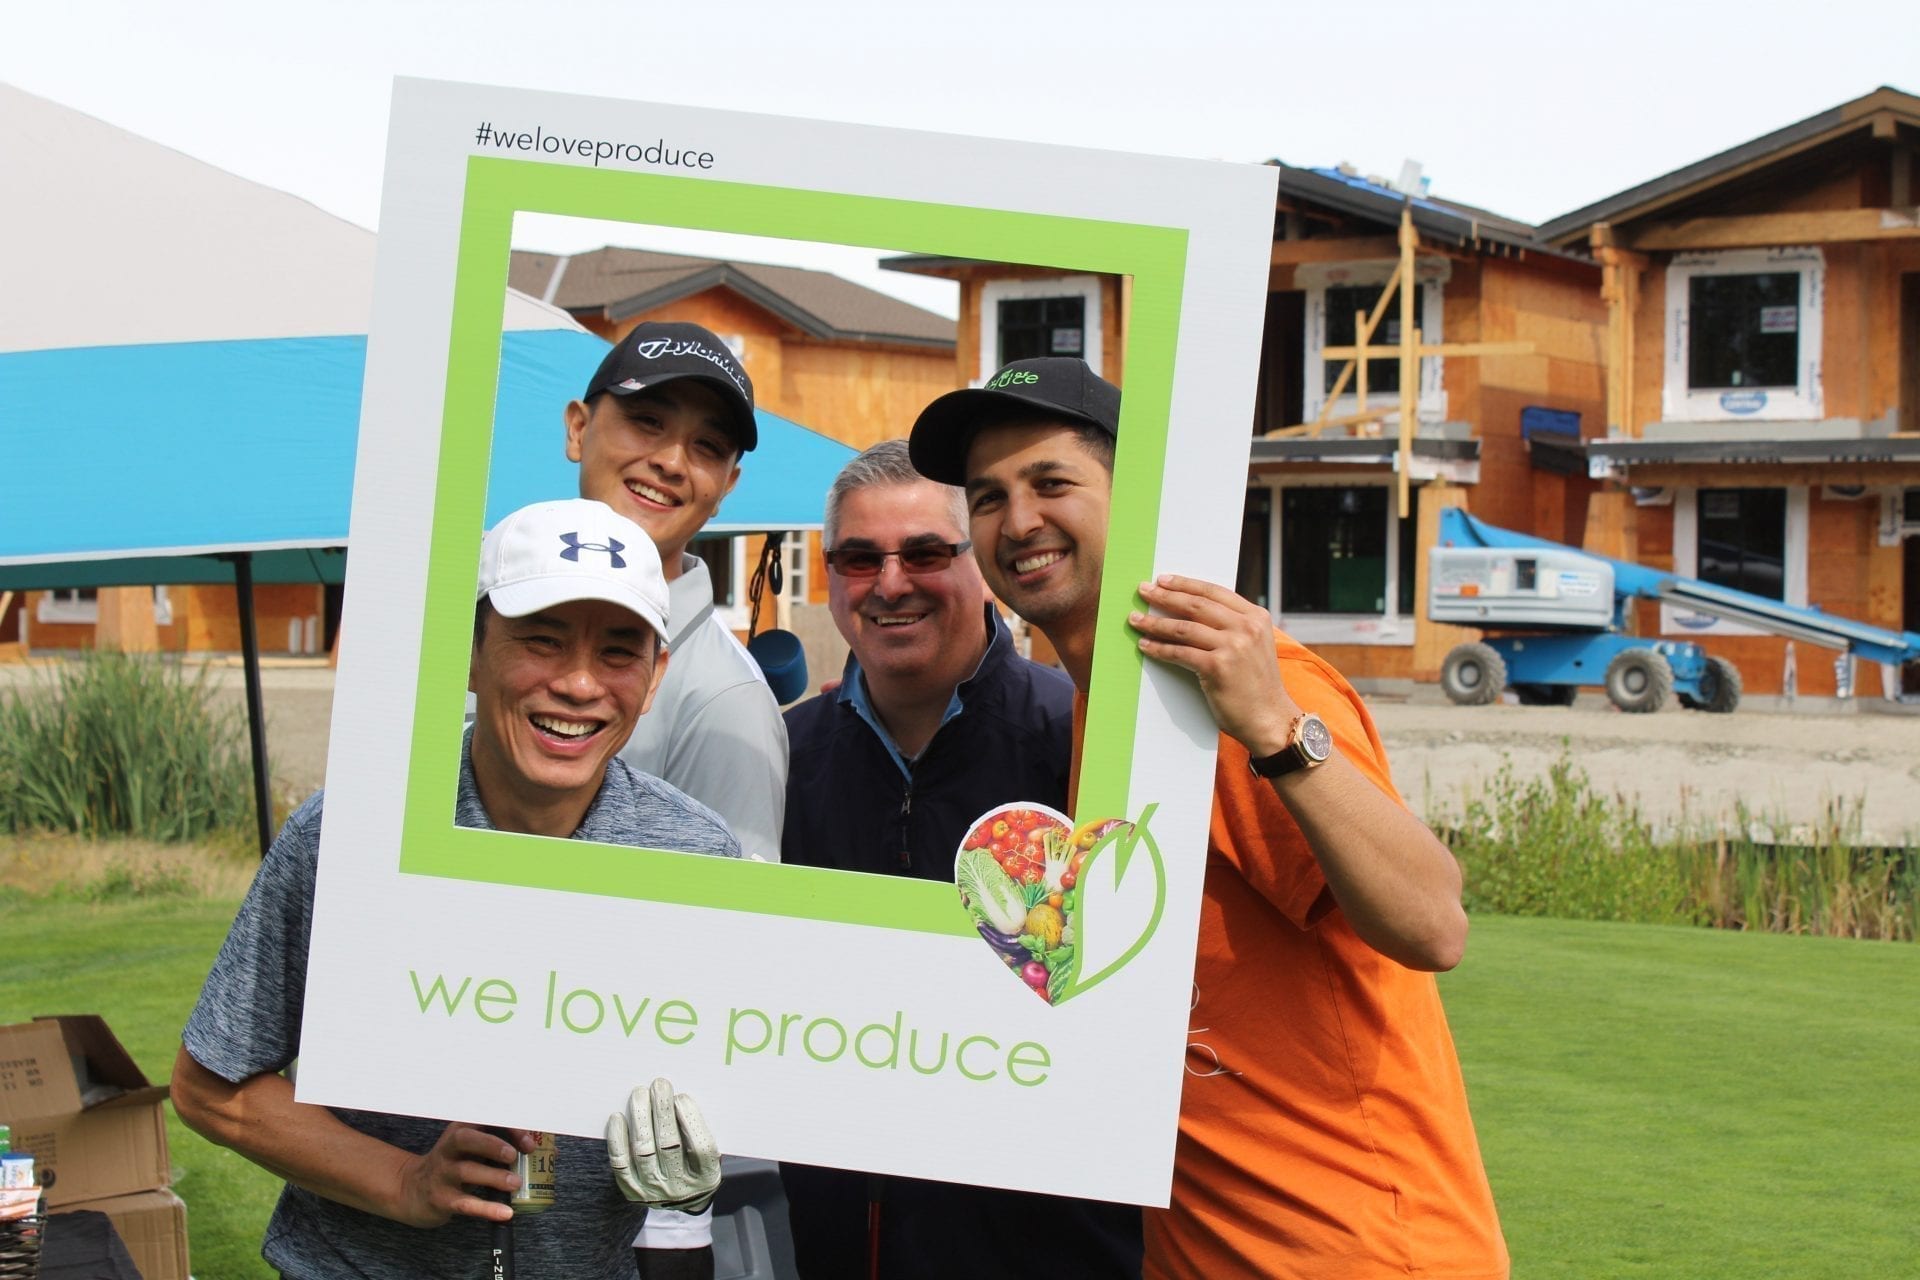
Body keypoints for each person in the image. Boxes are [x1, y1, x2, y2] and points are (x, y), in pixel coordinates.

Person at [907, 358, 1510, 1280]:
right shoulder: (1103, 705)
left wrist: (1272, 725)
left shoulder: (1239, 691)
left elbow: (1434, 923)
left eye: (1051, 482)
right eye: (988, 497)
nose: (1018, 520)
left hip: (1355, 1255)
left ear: (1138, 496)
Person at [174, 498, 737, 1280]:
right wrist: (403, 1180)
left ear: (654, 679)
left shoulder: (698, 859)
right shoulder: (355, 835)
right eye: (541, 640)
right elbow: (210, 1086)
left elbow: (727, 1086)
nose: (579, 683)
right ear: (469, 654)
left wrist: (692, 1164)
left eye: (618, 652)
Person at [778, 439, 1142, 1278]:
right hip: (836, 1243)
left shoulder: (1082, 742)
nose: (890, 583)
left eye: (925, 554)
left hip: (1050, 1249)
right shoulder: (786, 755)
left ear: (978, 562)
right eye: (860, 558)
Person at [565, 320, 787, 864]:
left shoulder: (727, 699)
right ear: (578, 428)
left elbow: (729, 910)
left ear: (726, 486)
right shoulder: (477, 617)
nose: (670, 461)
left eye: (707, 446)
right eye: (647, 421)